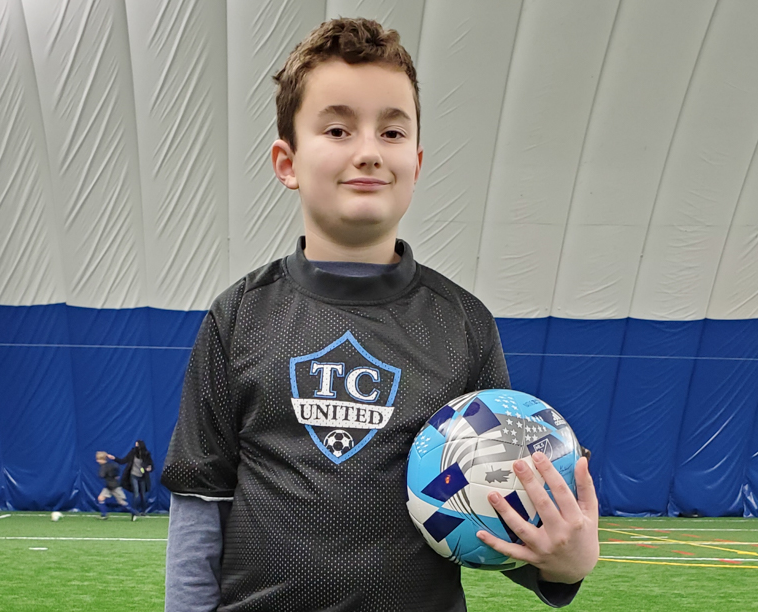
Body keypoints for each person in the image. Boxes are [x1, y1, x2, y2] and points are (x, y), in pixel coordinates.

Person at [159, 17, 599, 611]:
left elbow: (495, 499)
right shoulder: (239, 315)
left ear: (415, 161)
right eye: (338, 128)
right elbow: (201, 499)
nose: (368, 151)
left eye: (391, 134)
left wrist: (562, 566)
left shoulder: (463, 323)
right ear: (286, 161)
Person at [111, 440, 154, 516]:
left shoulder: (146, 454)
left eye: (137, 444)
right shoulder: (132, 453)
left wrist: (149, 468)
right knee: (136, 493)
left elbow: (151, 465)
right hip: (133, 475)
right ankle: (134, 511)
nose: (136, 446)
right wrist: (114, 458)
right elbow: (123, 461)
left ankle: (144, 511)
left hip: (143, 477)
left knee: (143, 495)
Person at [95, 451, 131, 520]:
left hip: (114, 486)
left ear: (102, 459)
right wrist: (116, 475)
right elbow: (117, 468)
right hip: (109, 486)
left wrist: (106, 474)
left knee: (121, 502)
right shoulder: (111, 465)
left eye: (98, 459)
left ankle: (133, 512)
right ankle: (104, 515)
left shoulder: (104, 467)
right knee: (100, 498)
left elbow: (101, 475)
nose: (97, 461)